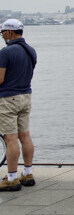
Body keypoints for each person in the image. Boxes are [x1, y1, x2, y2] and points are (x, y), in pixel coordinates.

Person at [0, 19, 37, 191]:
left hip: (8, 98)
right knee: (25, 135)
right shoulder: (31, 51)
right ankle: (27, 173)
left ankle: (12, 178)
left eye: (2, 33)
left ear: (9, 32)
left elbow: (0, 79)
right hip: (25, 96)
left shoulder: (5, 53)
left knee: (10, 138)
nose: (2, 37)